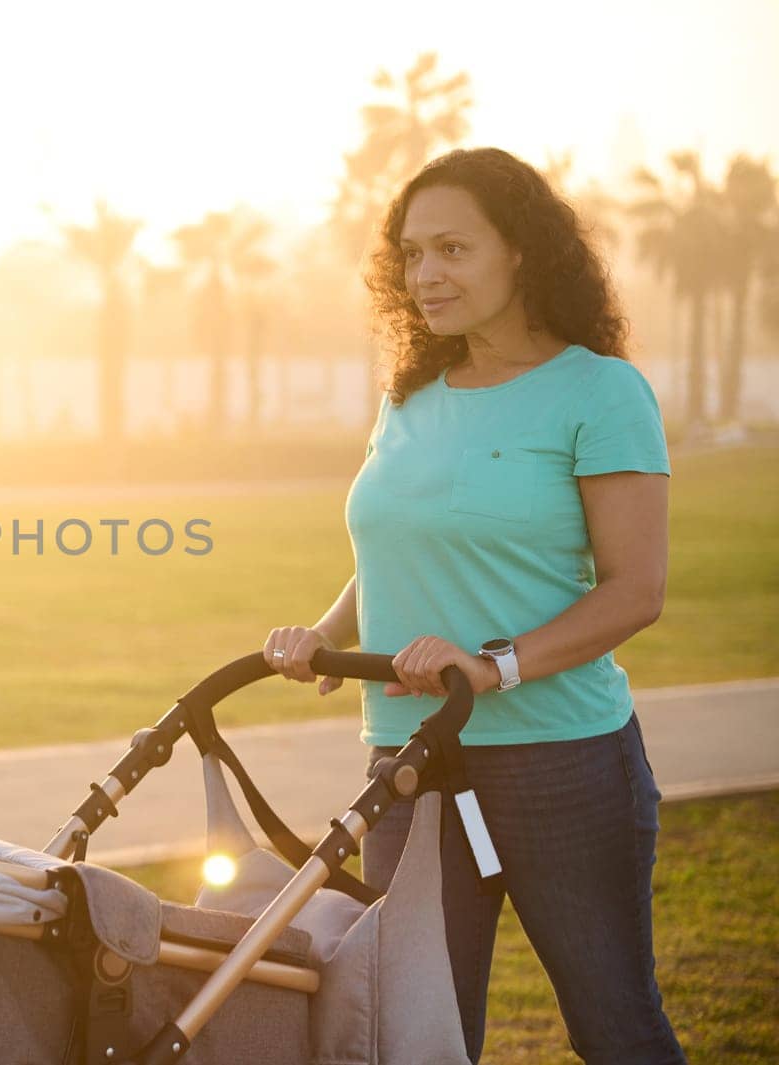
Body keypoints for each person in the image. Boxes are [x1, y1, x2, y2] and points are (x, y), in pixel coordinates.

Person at [263, 147, 686, 1064]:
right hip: (410, 763)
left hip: (561, 760)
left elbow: (635, 590)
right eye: (412, 254)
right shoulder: (408, 396)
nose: (426, 275)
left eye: (452, 249)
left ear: (523, 253)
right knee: (417, 1034)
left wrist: (492, 665)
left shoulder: (599, 391)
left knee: (614, 1026)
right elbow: (394, 547)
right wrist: (328, 636)